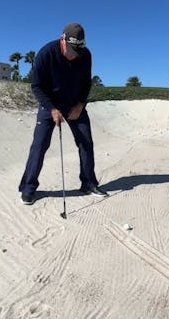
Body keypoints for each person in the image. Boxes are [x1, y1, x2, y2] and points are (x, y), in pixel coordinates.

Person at [18, 23, 108, 205]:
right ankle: (28, 188)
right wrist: (51, 108)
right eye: (71, 49)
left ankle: (89, 183)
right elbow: (36, 86)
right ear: (62, 39)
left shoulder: (85, 55)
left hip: (75, 104)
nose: (74, 54)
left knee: (86, 142)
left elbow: (86, 83)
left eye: (78, 50)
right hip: (49, 104)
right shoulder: (46, 53)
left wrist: (81, 105)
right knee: (39, 145)